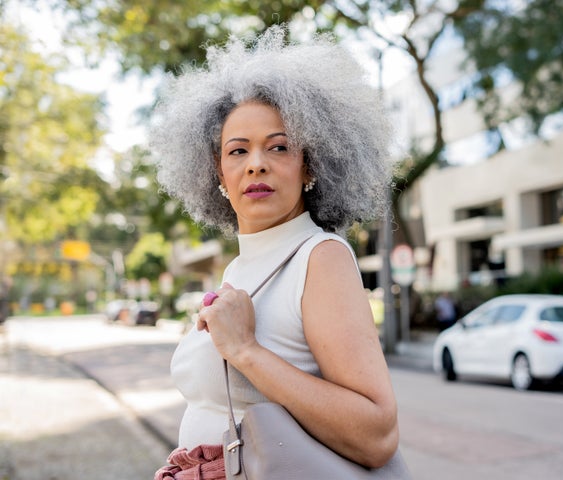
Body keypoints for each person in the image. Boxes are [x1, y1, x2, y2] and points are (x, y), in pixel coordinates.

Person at [151, 26, 400, 478]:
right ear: (219, 174)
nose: (256, 163)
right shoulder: (241, 267)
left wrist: (245, 350)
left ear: (309, 163)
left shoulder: (319, 256)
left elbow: (377, 434)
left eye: (279, 146)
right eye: (237, 150)